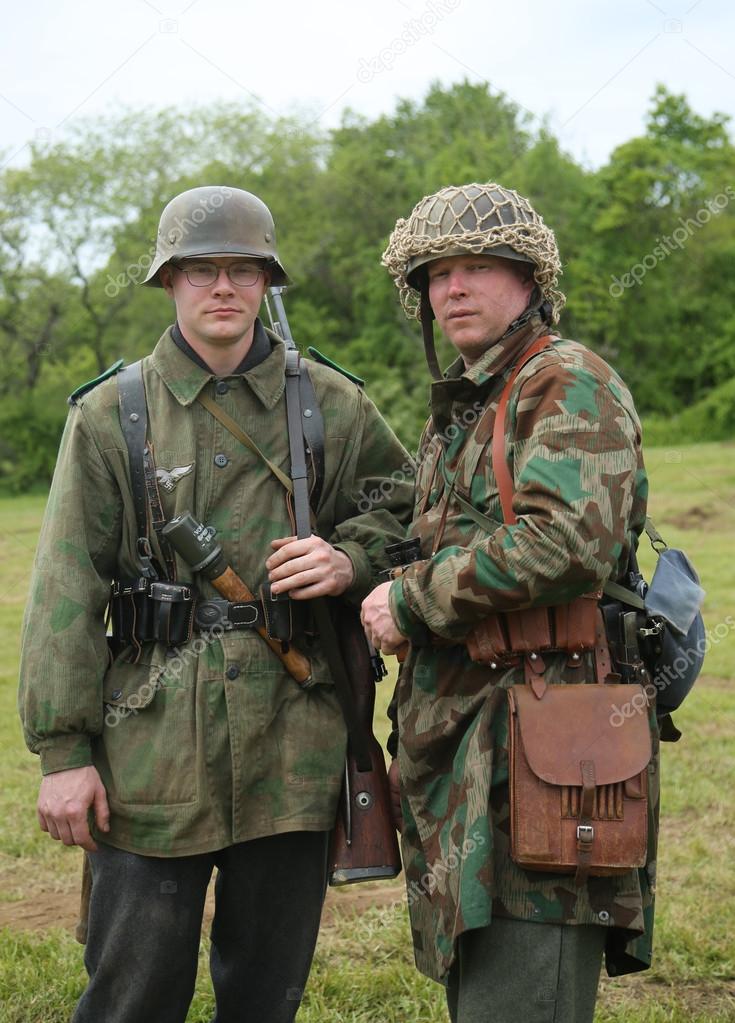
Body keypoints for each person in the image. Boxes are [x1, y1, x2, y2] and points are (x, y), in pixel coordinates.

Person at [18, 185, 413, 1023]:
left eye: (242, 269)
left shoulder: (331, 407)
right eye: (202, 270)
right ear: (169, 282)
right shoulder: (109, 415)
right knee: (132, 991)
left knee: (265, 993)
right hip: (150, 747)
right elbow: (66, 588)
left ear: (268, 280)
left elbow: (410, 507)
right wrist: (64, 752)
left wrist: (349, 557)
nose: (222, 288)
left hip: (292, 743)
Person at [361, 182, 658, 1023]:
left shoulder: (565, 382)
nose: (452, 287)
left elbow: (568, 543)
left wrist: (411, 600)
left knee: (526, 982)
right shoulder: (468, 404)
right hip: (472, 746)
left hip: (550, 741)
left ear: (528, 281)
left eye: (477, 268)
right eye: (436, 273)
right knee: (484, 985)